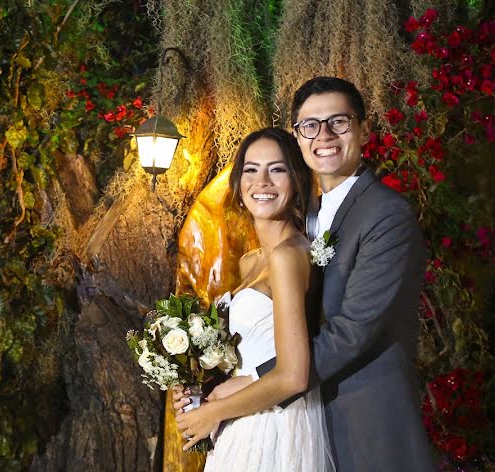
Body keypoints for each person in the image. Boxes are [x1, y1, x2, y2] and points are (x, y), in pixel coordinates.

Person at [175, 77, 434, 471]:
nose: (324, 135)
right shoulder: (303, 217)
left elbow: (352, 332)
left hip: (360, 416)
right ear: (297, 136)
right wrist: (210, 387)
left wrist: (254, 381)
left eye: (338, 122)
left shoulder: (386, 215)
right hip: (293, 420)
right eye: (310, 125)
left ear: (363, 130)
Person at [175, 127, 334, 471]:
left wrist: (212, 413)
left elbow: (293, 375)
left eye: (277, 169)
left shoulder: (289, 255)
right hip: (245, 417)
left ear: (297, 181)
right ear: (237, 182)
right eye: (251, 169)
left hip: (273, 425)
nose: (261, 181)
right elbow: (257, 357)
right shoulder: (251, 259)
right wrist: (203, 399)